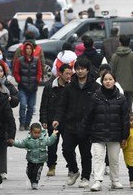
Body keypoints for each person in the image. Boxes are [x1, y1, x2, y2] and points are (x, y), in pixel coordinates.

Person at [55, 58, 99, 188]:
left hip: (87, 126)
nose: (79, 71)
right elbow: (61, 105)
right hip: (70, 125)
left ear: (87, 70)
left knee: (85, 153)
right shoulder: (69, 87)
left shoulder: (95, 87)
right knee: (66, 149)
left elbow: (99, 106)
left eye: (82, 69)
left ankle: (85, 177)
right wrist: (57, 119)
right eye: (77, 68)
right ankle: (74, 171)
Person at [85, 71, 130, 191]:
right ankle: (97, 180)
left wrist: (125, 136)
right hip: (97, 133)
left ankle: (115, 180)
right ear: (102, 81)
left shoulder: (121, 98)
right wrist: (87, 132)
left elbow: (125, 118)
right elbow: (89, 115)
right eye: (105, 79)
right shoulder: (95, 97)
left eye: (110, 79)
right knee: (98, 157)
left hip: (115, 134)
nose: (108, 81)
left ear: (114, 81)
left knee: (114, 159)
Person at [39, 63, 73, 177]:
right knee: (52, 146)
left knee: (68, 146)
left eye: (70, 74)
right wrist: (43, 119)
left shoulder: (72, 87)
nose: (69, 76)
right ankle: (51, 166)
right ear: (60, 74)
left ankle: (71, 167)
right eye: (66, 74)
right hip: (52, 121)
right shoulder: (49, 87)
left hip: (68, 122)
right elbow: (44, 105)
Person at [0, 62, 20, 179]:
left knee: (2, 146)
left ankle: (2, 170)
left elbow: (17, 99)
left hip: (4, 119)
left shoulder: (8, 85)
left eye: (1, 71)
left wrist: (11, 98)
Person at [12, 121, 58, 190]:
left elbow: (49, 141)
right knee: (29, 172)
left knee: (36, 172)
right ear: (31, 132)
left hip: (40, 160)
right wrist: (13, 142)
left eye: (38, 133)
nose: (37, 134)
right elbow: (21, 143)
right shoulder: (28, 140)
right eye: (35, 133)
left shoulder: (43, 139)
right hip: (31, 159)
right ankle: (32, 179)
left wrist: (53, 135)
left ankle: (35, 182)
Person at [14, 41, 43, 131]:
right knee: (23, 105)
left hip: (33, 87)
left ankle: (27, 124)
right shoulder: (20, 60)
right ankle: (22, 123)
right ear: (24, 49)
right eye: (27, 48)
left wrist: (37, 80)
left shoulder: (36, 60)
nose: (28, 50)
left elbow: (39, 72)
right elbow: (16, 72)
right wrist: (19, 80)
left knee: (31, 107)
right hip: (23, 87)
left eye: (30, 48)